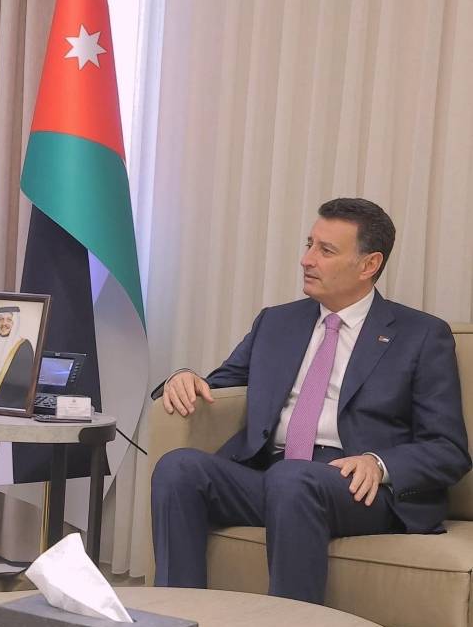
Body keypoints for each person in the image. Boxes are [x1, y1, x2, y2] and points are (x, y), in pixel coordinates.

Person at [150, 197, 470, 604]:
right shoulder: (277, 321)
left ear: (369, 264)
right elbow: (219, 383)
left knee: (292, 479)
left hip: (357, 488)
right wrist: (181, 377)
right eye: (309, 244)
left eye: (326, 250)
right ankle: (179, 617)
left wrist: (378, 464)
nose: (306, 260)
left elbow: (448, 449)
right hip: (273, 474)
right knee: (178, 467)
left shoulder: (420, 335)